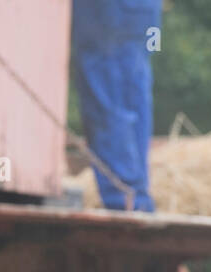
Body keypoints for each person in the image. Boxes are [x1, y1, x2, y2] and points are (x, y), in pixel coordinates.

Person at [72, 0, 162, 212]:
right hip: (141, 10)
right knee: (134, 87)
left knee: (106, 90)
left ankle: (123, 198)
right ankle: (136, 196)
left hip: (106, 11)